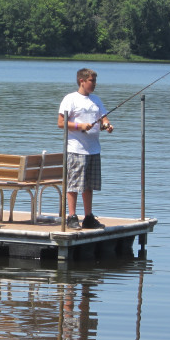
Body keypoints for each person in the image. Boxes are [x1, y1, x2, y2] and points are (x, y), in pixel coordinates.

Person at [57, 68, 114, 230]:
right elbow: (61, 123)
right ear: (82, 81)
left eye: (95, 81)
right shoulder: (70, 99)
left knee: (89, 185)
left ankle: (88, 217)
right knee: (74, 184)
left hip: (94, 149)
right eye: (92, 81)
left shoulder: (96, 100)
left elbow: (104, 118)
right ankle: (72, 216)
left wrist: (107, 126)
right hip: (76, 149)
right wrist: (79, 125)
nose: (94, 84)